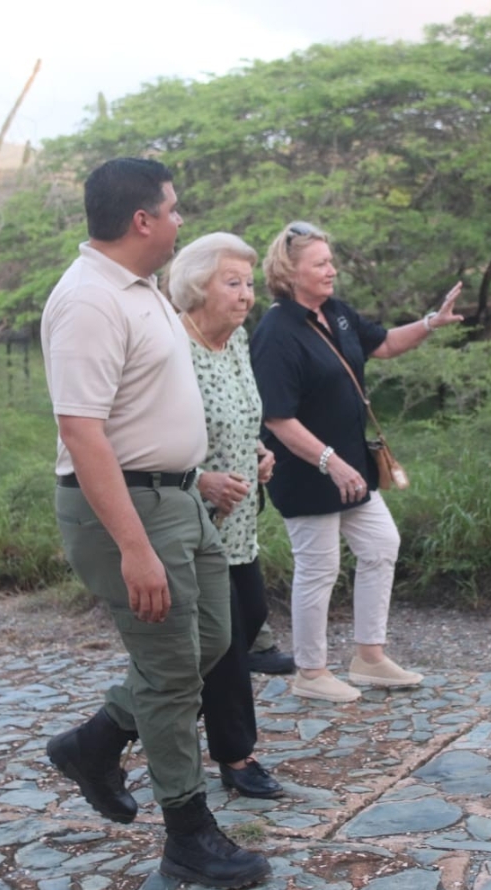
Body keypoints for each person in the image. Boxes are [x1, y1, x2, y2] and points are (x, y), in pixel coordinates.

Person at [40, 158, 270, 890]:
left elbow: (148, 407)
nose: (180, 220)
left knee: (213, 639)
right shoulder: (87, 302)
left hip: (179, 497)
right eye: (172, 210)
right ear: (142, 221)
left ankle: (97, 738)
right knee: (172, 675)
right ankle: (188, 835)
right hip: (131, 510)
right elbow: (83, 433)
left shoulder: (141, 293)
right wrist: (134, 548)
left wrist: (195, 474)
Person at [250, 221, 463, 703]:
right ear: (290, 271)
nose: (333, 270)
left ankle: (369, 657)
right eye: (321, 263)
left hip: (349, 468)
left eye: (330, 261)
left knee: (382, 544)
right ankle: (311, 671)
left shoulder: (336, 313)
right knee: (319, 568)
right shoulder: (275, 332)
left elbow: (383, 343)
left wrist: (430, 322)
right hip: (307, 472)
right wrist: (329, 461)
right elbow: (278, 419)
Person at [167, 232, 284, 800]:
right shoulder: (172, 347)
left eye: (249, 284)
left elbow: (242, 417)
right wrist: (201, 479)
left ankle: (112, 732)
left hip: (239, 524)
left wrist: (258, 453)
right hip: (189, 521)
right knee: (226, 642)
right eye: (232, 283)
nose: (246, 296)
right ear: (196, 286)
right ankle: (238, 759)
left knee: (245, 620)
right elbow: (144, 441)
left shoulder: (236, 342)